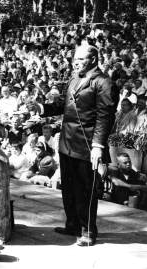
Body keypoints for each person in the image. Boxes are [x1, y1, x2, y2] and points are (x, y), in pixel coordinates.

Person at [33, 44, 117, 246]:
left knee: (85, 189)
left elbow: (105, 117)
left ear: (93, 60)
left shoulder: (104, 83)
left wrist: (98, 145)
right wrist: (41, 107)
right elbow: (63, 103)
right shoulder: (74, 78)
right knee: (69, 187)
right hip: (67, 141)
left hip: (87, 144)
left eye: (80, 60)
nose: (75, 63)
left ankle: (88, 230)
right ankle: (72, 224)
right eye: (74, 60)